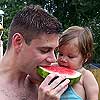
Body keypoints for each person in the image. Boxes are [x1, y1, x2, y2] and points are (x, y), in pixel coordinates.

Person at [0, 5, 70, 100]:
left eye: (55, 51)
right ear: (18, 42)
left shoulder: (42, 84)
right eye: (45, 50)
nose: (53, 59)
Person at [54, 26, 99, 100]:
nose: (63, 59)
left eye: (70, 56)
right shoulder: (53, 69)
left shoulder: (86, 76)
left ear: (85, 57)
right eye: (60, 54)